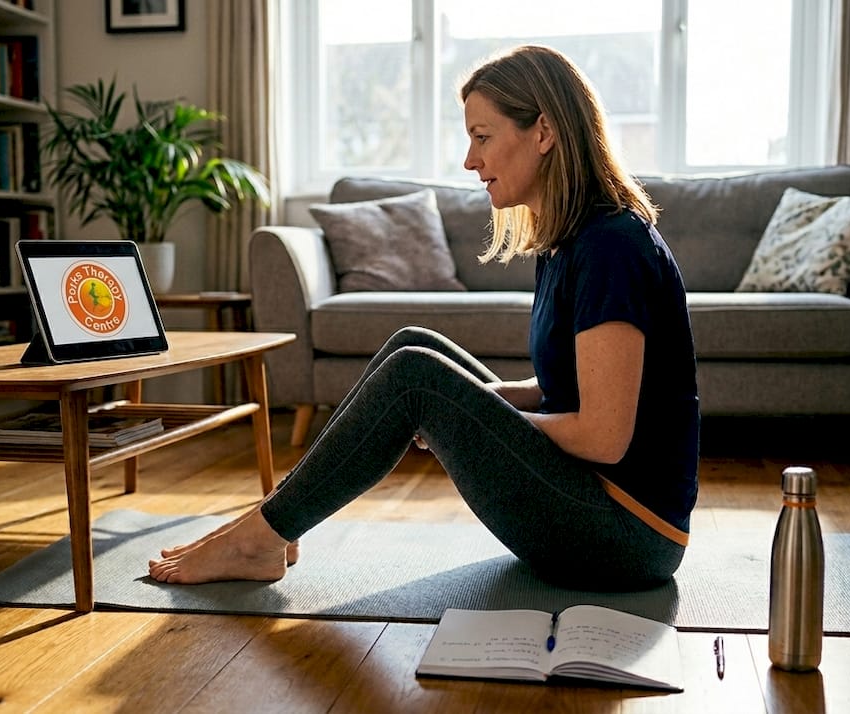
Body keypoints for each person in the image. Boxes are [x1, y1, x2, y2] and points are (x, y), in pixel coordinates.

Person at [149, 44, 699, 591]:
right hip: (592, 503)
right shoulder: (571, 240)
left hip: (627, 537)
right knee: (415, 345)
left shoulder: (612, 247)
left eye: (482, 137)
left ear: (545, 132)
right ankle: (279, 519)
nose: (469, 160)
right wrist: (494, 403)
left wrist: (475, 420)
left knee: (418, 376)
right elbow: (576, 383)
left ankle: (259, 539)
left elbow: (604, 436)